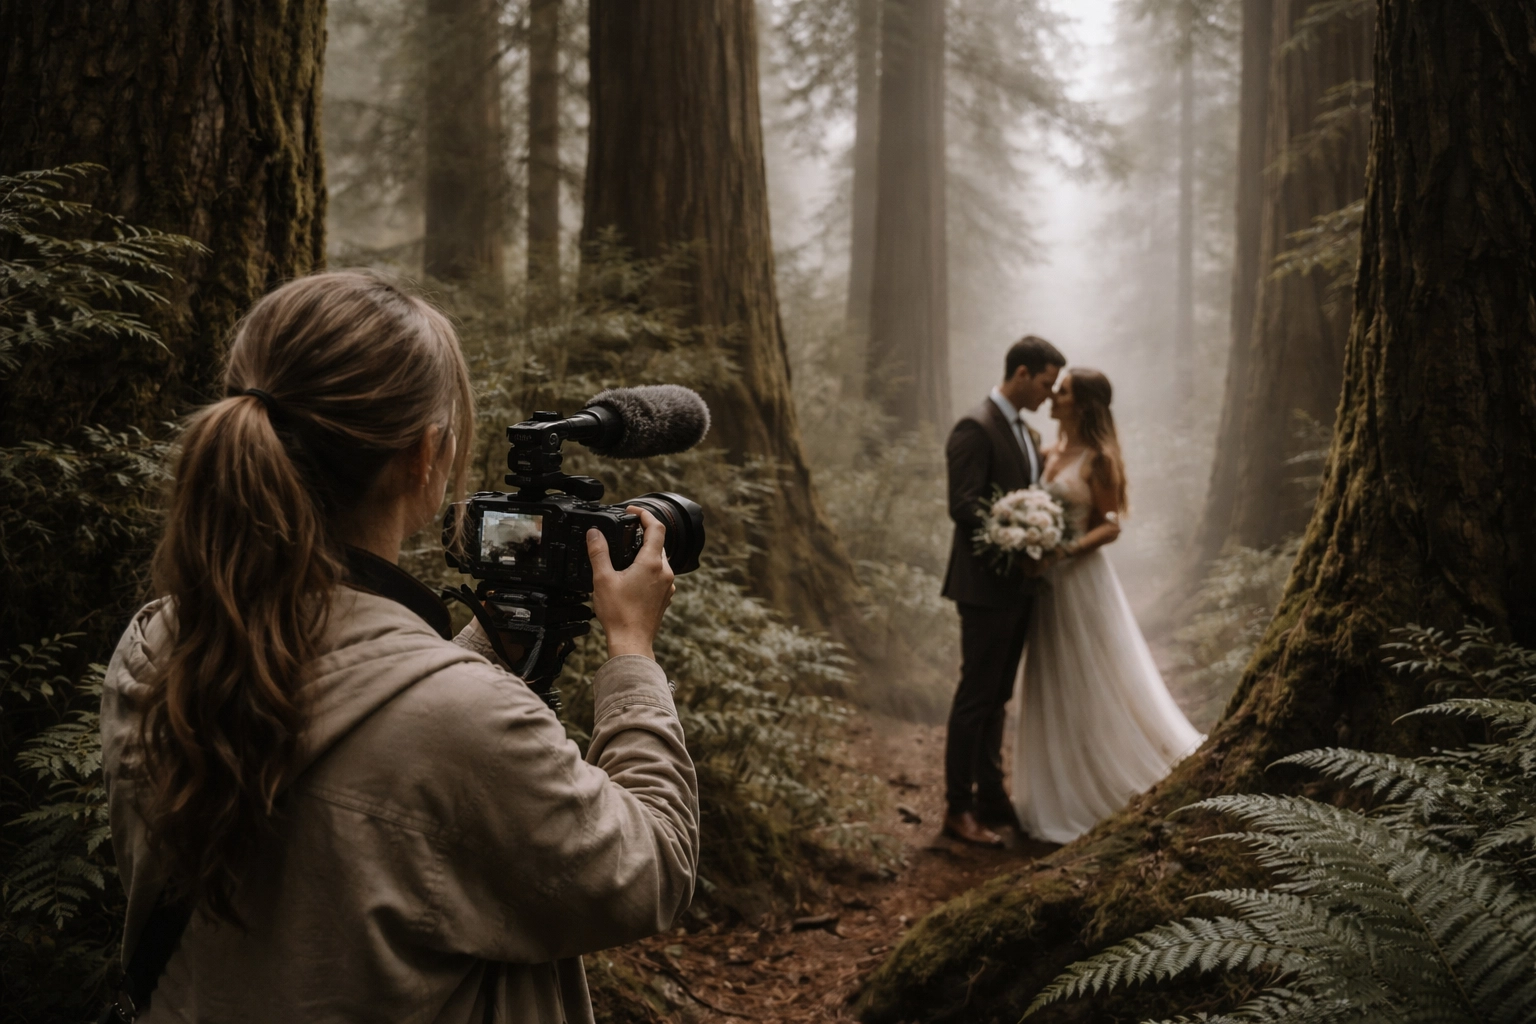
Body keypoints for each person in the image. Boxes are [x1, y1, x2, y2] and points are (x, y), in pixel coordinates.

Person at [100, 271, 699, 1022]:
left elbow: (358, 730)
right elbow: (653, 868)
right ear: (425, 456)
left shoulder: (156, 645)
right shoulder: (459, 721)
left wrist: (494, 641)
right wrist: (632, 652)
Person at [1011, 368, 1202, 843]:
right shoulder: (1048, 451)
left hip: (1079, 580)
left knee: (1090, 677)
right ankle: (1058, 784)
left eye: (1064, 391)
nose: (1055, 396)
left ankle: (1098, 781)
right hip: (1045, 585)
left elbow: (1112, 524)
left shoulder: (1100, 459)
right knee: (1053, 677)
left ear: (1085, 404)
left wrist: (1063, 551)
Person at [940, 335, 1065, 847]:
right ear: (1020, 373)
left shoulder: (1026, 433)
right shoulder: (975, 426)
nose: (1049, 395)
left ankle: (992, 797)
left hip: (1018, 589)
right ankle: (957, 807)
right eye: (1044, 383)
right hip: (985, 586)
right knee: (976, 697)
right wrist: (1019, 539)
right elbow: (964, 505)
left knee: (999, 698)